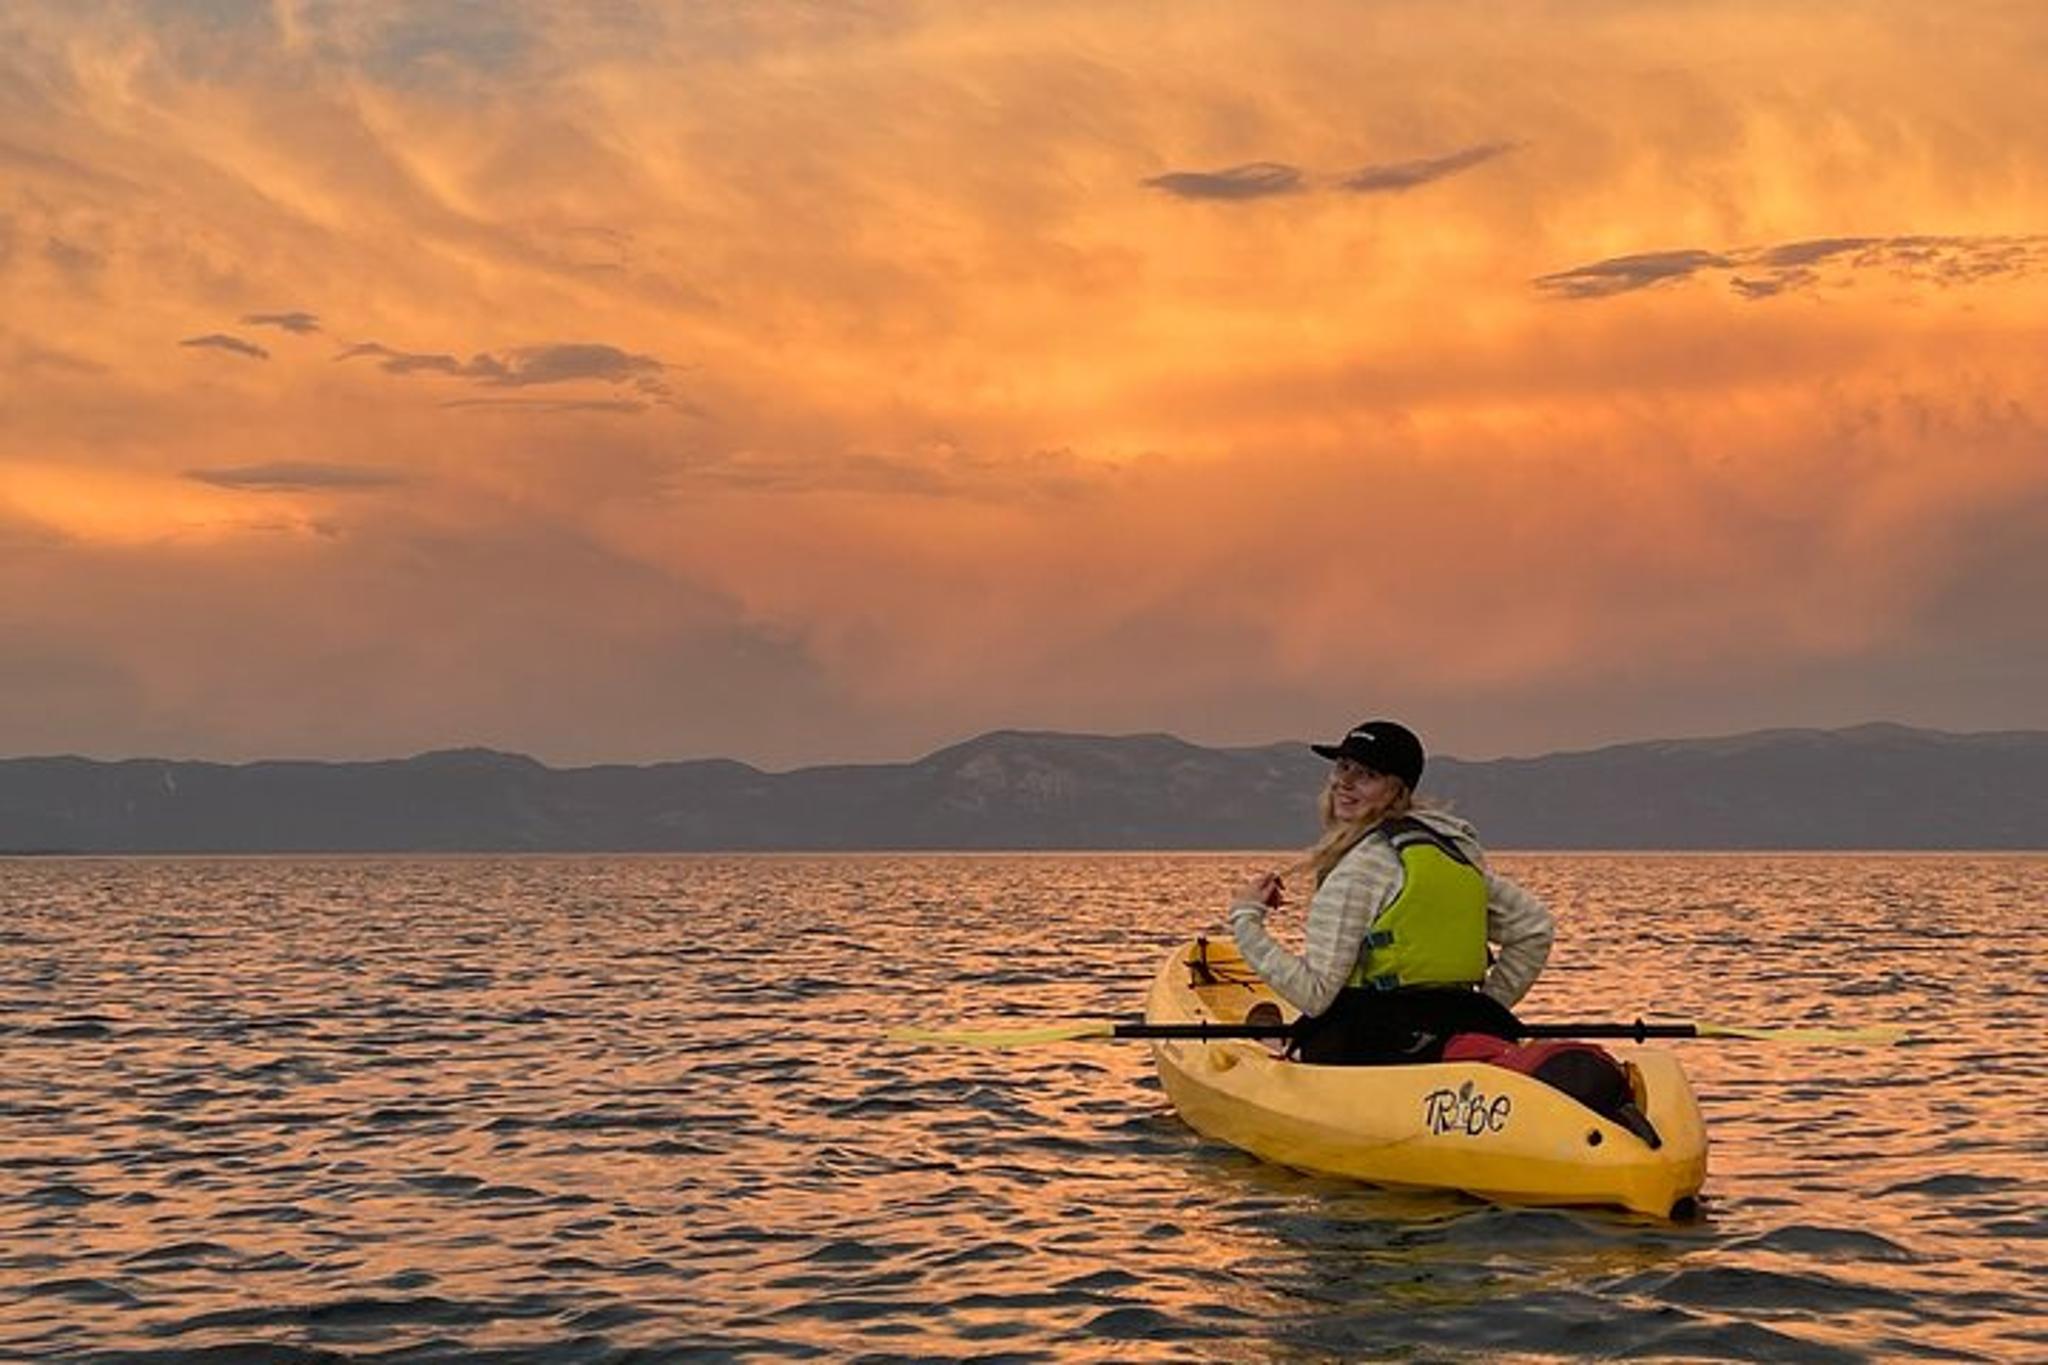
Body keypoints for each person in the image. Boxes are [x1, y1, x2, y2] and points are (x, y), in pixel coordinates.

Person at [1228, 719, 1554, 1065]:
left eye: (1367, 775)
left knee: (1306, 1025)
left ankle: (1267, 1042)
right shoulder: (1455, 853)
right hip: (1458, 1033)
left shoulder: (1360, 869)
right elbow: (1535, 928)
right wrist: (1484, 1010)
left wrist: (1247, 918)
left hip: (1372, 1050)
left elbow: (1314, 995)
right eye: (1342, 767)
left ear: (1397, 791)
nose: (1344, 783)